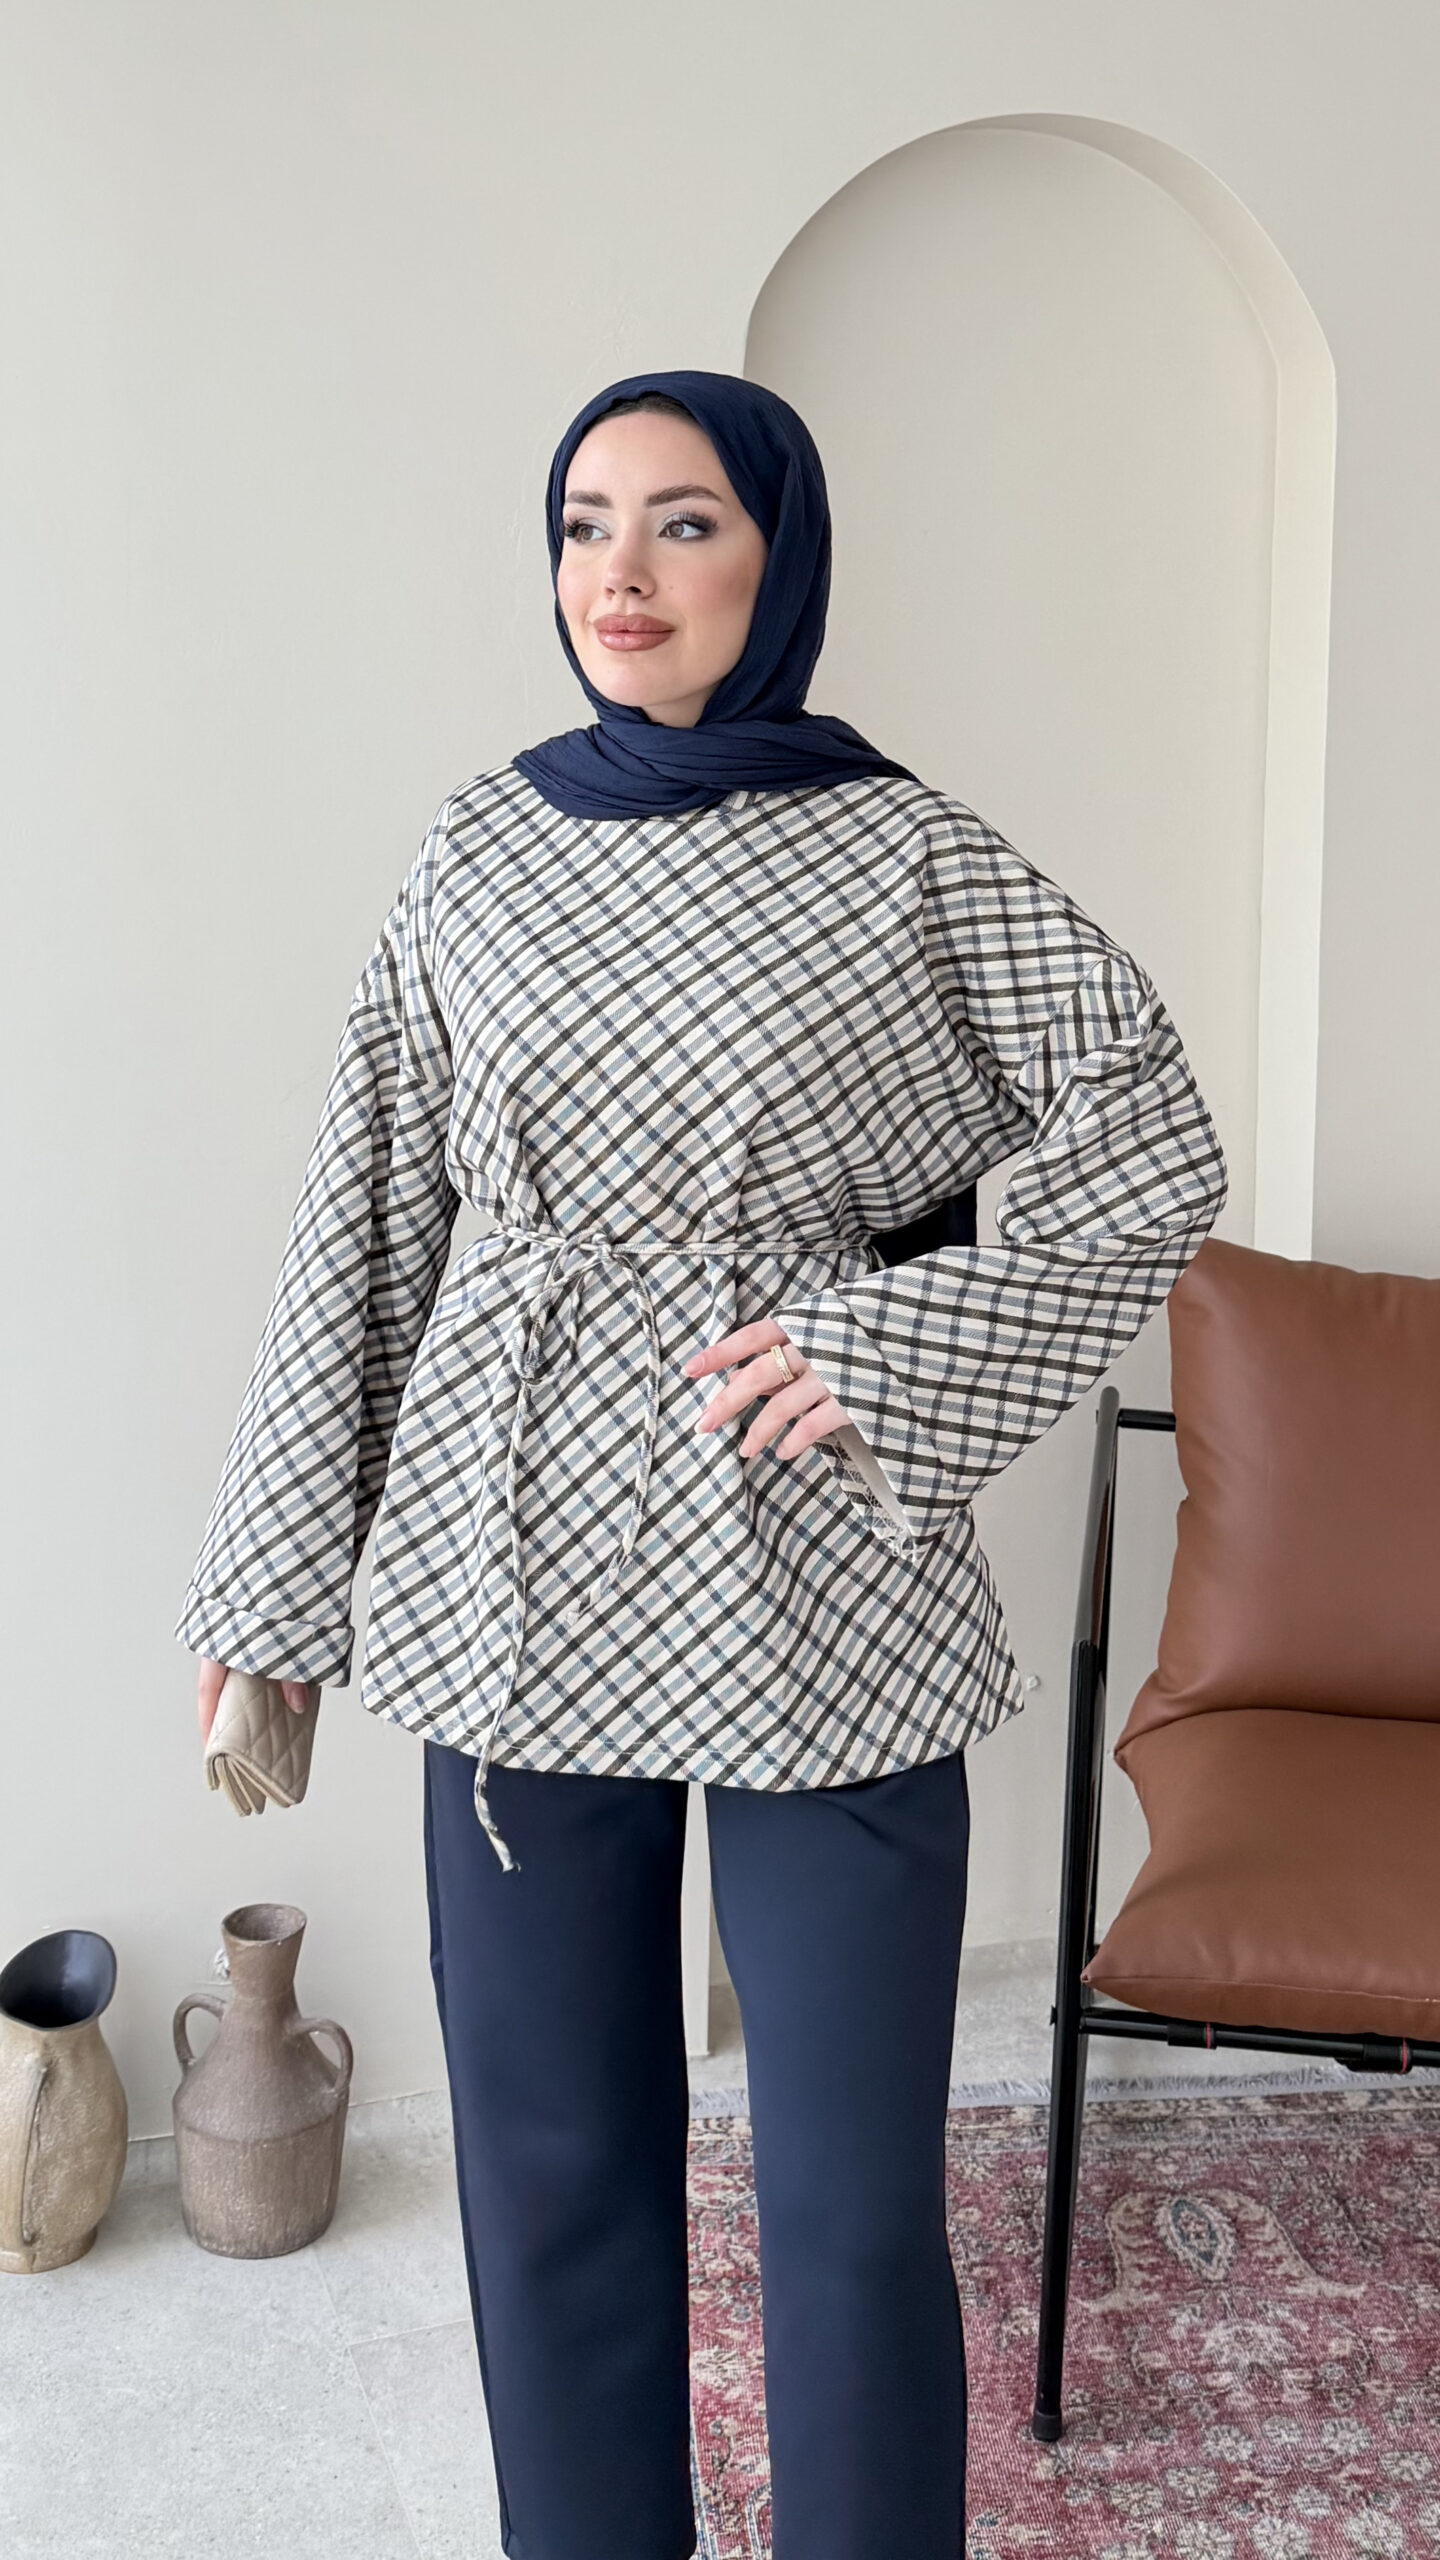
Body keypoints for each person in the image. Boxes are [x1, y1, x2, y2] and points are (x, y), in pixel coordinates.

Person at [179, 368, 1227, 2560]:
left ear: (783, 553)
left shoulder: (908, 850)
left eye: (683, 523)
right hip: (511, 1553)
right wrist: (273, 1602)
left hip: (818, 1562)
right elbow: (366, 1214)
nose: (620, 574)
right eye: (584, 523)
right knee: (553, 2166)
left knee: (850, 2200)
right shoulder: (477, 849)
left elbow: (1149, 1131)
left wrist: (883, 1341)